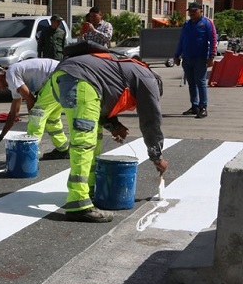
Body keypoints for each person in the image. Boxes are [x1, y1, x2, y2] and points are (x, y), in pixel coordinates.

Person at [50, 53, 169, 223]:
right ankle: (78, 204)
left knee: (93, 138)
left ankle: (87, 191)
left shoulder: (127, 72)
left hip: (67, 78)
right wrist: (157, 156)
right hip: (80, 80)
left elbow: (103, 101)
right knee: (84, 142)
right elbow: (151, 120)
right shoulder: (147, 79)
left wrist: (114, 126)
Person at [0, 59, 69, 160]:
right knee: (52, 119)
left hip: (58, 76)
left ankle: (29, 156)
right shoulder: (14, 80)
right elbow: (13, 113)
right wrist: (1, 136)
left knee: (36, 116)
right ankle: (63, 149)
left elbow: (30, 98)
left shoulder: (11, 75)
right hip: (65, 76)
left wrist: (33, 116)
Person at [173, 1, 217, 119]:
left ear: (200, 11)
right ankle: (195, 106)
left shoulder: (207, 23)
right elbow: (182, 40)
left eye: (194, 11)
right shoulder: (187, 24)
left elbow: (213, 40)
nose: (192, 14)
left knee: (200, 82)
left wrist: (211, 57)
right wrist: (177, 55)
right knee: (191, 84)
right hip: (187, 59)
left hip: (200, 59)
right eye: (190, 12)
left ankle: (203, 107)